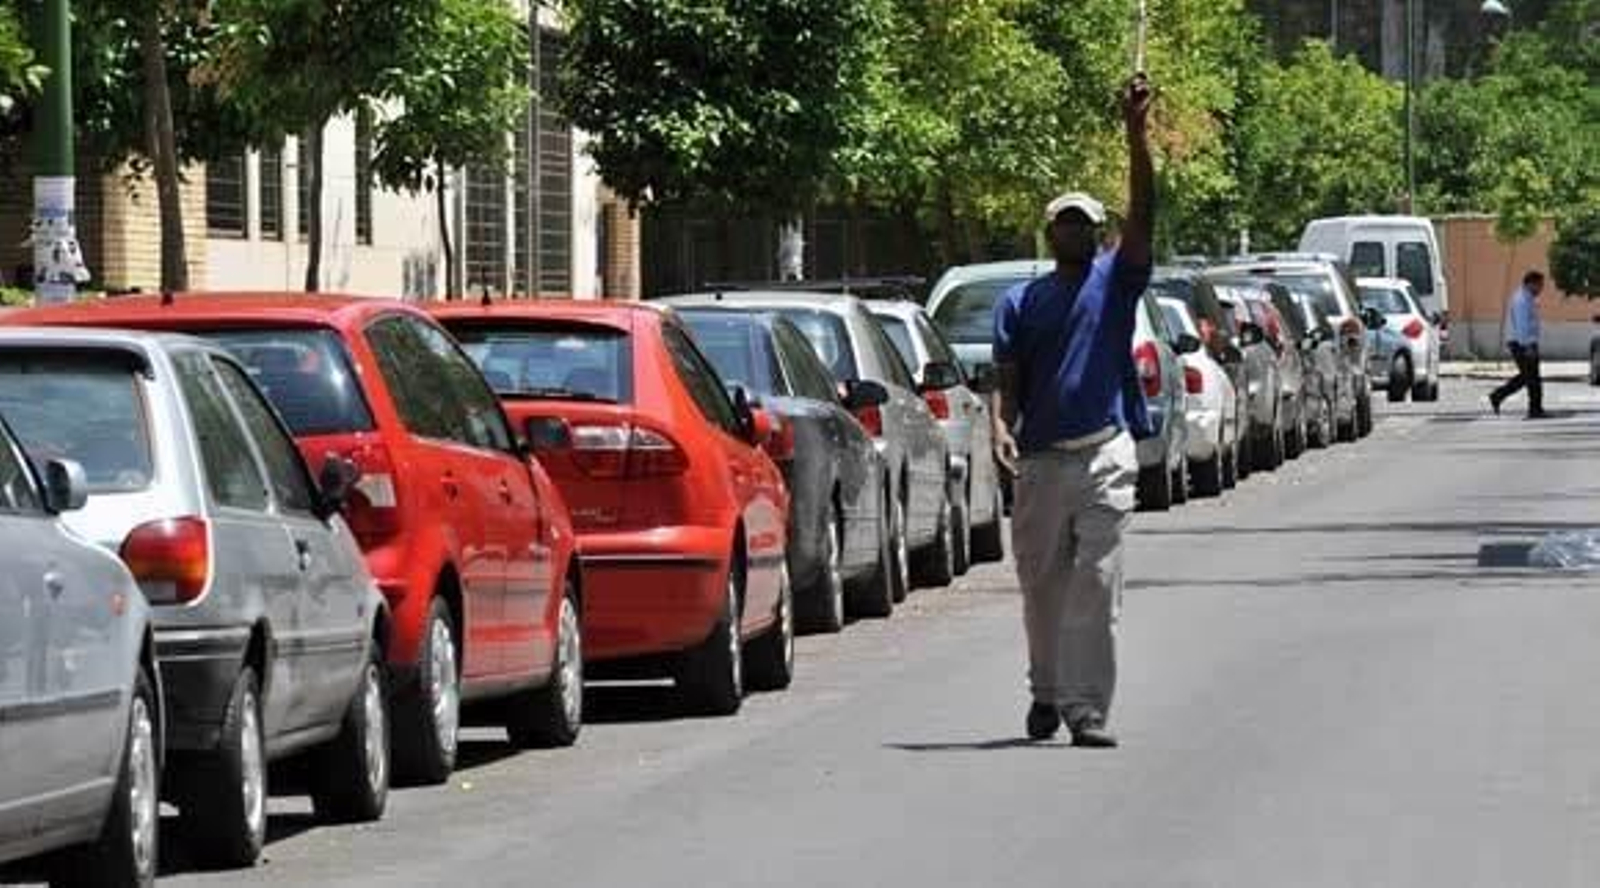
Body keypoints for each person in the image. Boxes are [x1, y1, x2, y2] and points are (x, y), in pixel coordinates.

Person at [990, 74, 1154, 749]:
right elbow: (1008, 381)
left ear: (1098, 234)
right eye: (1066, 221)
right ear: (1049, 233)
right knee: (1042, 588)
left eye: (1086, 222)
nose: (1076, 230)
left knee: (1096, 580)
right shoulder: (1020, 304)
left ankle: (1086, 709)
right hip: (1040, 463)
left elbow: (1146, 211)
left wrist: (1136, 134)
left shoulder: (1117, 280)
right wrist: (1000, 424)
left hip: (1104, 454)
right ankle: (1046, 690)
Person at [1489, 270, 1548, 419]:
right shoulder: (1522, 299)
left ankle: (1497, 396)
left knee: (1527, 376)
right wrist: (1527, 346)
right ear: (1530, 284)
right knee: (1533, 378)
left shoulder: (1527, 298)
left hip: (1525, 342)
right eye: (1539, 285)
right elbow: (1522, 325)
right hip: (1522, 343)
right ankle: (1535, 410)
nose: (1541, 289)